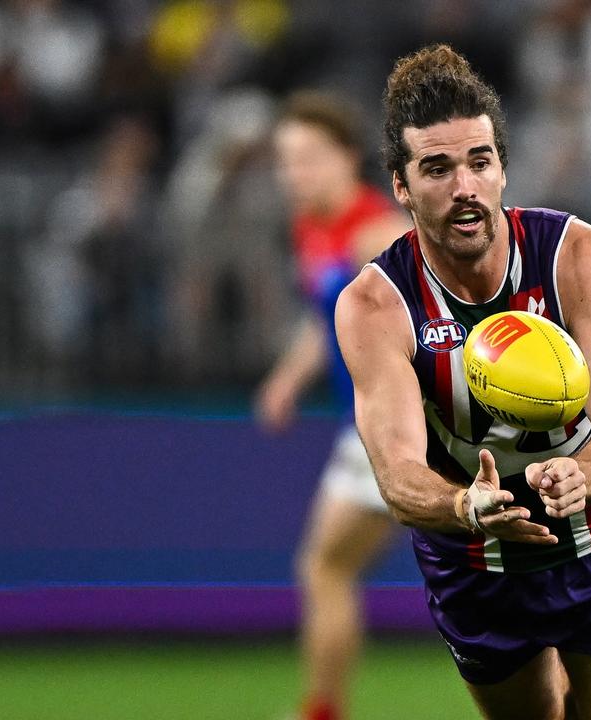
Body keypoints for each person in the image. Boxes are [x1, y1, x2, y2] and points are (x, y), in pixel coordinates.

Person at [334, 45, 591, 720]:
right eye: (437, 169)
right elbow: (398, 473)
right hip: (476, 565)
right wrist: (463, 507)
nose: (464, 186)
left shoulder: (575, 256)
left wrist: (581, 476)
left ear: (503, 168)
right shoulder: (375, 306)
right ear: (401, 186)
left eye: (479, 162)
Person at [253, 90, 412, 720]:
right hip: (372, 430)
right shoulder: (313, 228)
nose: (296, 173)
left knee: (326, 565)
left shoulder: (377, 235)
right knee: (326, 565)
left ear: (349, 158)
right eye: (286, 161)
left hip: (405, 429)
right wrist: (288, 379)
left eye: (310, 158)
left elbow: (436, 329)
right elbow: (330, 322)